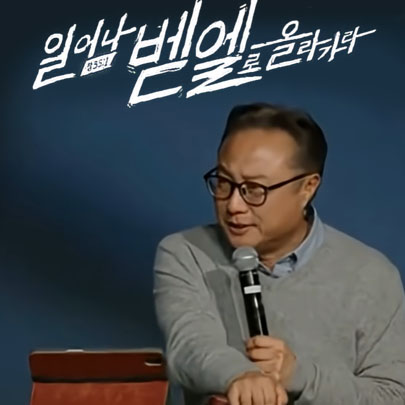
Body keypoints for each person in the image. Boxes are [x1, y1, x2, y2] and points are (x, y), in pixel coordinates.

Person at [153, 103, 405, 405]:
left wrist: (300, 376)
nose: (233, 205)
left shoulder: (372, 275)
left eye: (254, 189)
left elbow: (392, 395)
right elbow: (190, 347)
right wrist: (241, 376)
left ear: (307, 188)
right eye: (224, 182)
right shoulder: (187, 252)